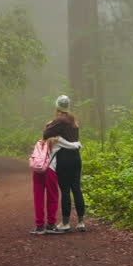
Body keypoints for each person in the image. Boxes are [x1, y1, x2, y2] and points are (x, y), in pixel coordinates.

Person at [43, 95, 86, 233]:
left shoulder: (59, 120)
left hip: (64, 158)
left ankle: (66, 223)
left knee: (65, 189)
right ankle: (81, 222)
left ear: (57, 106)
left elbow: (45, 134)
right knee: (77, 188)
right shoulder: (73, 119)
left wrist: (50, 124)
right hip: (76, 157)